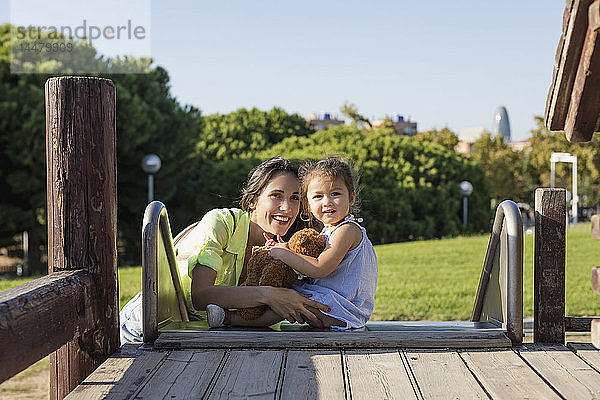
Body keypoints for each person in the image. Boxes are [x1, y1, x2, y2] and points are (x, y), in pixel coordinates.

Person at [119, 156, 330, 344]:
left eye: (295, 198)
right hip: (146, 329)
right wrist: (271, 295)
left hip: (200, 338)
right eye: (276, 195)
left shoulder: (283, 251)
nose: (287, 208)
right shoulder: (222, 222)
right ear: (254, 200)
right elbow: (200, 297)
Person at [207, 156, 378, 330]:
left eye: (335, 194)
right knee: (285, 294)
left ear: (351, 198)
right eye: (318, 196)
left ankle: (229, 317)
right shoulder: (327, 232)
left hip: (342, 306)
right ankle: (237, 313)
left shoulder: (347, 230)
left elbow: (320, 268)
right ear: (308, 204)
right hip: (327, 298)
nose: (327, 202)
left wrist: (283, 253)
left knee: (289, 300)